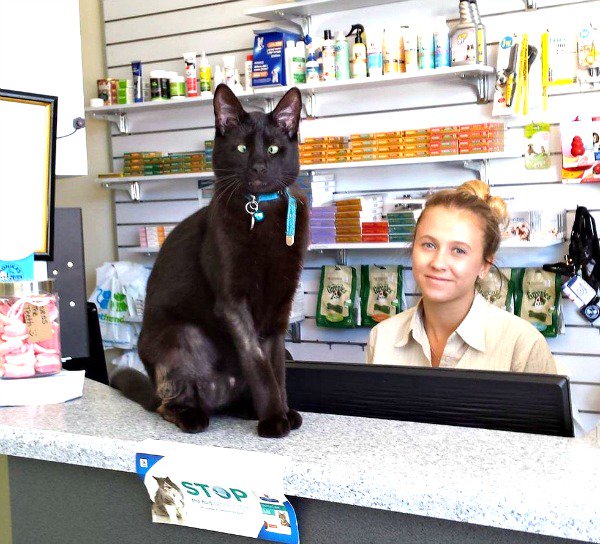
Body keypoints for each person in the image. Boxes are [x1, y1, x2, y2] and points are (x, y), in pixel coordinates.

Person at [366, 180, 557, 373]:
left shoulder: (523, 346)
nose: (438, 263)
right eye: (429, 245)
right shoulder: (382, 338)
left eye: (458, 250)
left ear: (484, 265)